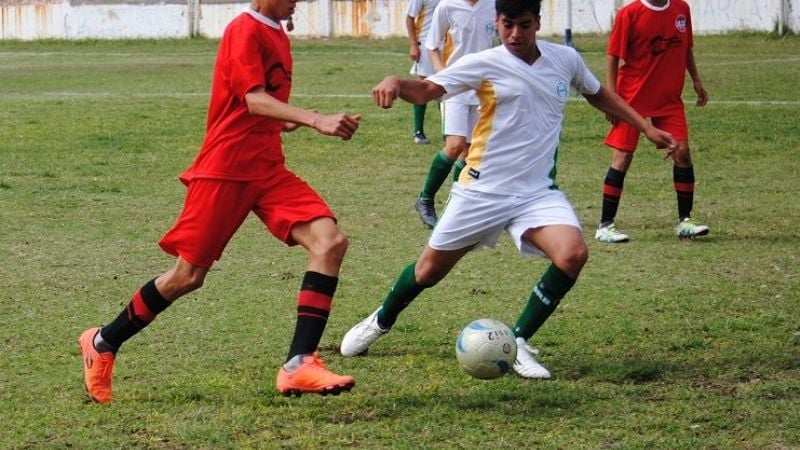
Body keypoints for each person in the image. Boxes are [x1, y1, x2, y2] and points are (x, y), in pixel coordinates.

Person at [340, 0, 676, 379]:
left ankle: (518, 342)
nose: (516, 34)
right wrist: (395, 82)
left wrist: (644, 127)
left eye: (525, 25)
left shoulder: (564, 59)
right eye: (508, 24)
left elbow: (598, 92)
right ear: (497, 23)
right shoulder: (484, 63)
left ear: (538, 22)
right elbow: (426, 90)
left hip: (536, 193)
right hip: (482, 190)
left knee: (572, 254)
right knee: (427, 271)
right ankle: (380, 320)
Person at [78, 0, 361, 403]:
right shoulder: (243, 30)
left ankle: (299, 363)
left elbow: (260, 109)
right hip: (224, 170)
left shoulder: (278, 32)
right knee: (187, 277)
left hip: (267, 169)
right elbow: (252, 100)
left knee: (329, 242)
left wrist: (290, 119)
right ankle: (102, 342)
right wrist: (314, 119)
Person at [594, 0, 709, 243]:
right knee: (623, 157)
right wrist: (613, 99)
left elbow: (686, 48)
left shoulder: (681, 9)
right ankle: (605, 225)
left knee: (683, 152)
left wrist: (696, 79)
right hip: (632, 97)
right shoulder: (629, 14)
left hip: (668, 98)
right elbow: (613, 57)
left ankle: (685, 222)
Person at [413, 0, 496, 228]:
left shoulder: (493, 5)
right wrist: (444, 74)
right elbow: (432, 45)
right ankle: (425, 198)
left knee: (470, 153)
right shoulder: (447, 6)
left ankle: (454, 208)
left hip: (482, 89)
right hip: (455, 88)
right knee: (455, 144)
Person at [406, 0, 441, 145]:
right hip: (425, 43)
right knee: (424, 86)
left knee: (447, 88)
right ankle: (418, 132)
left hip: (447, 43)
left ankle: (449, 131)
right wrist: (414, 45)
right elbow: (409, 18)